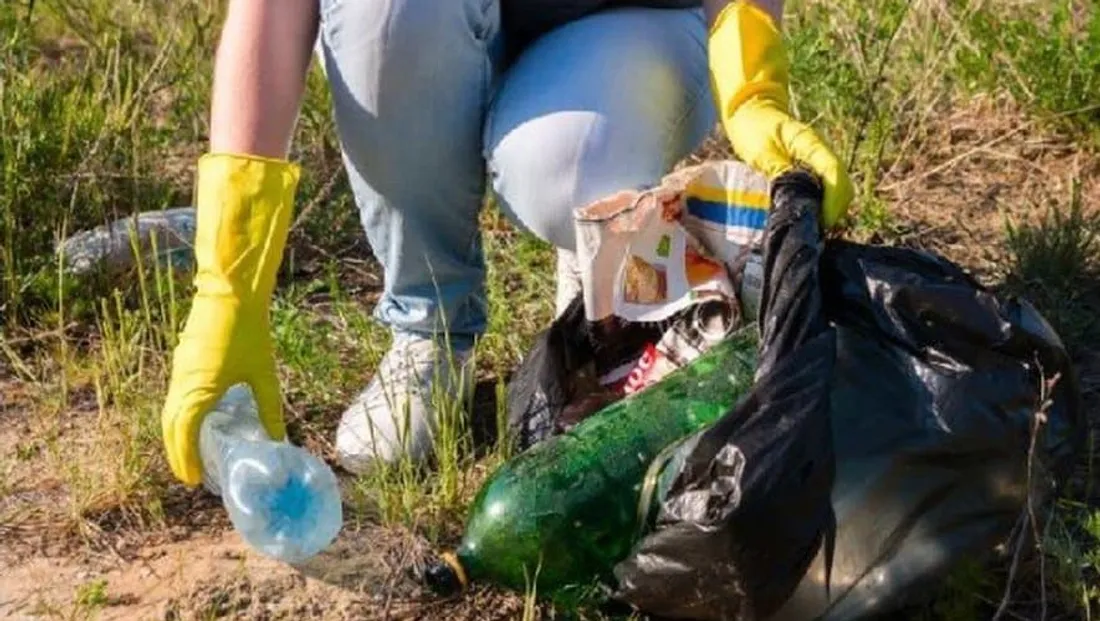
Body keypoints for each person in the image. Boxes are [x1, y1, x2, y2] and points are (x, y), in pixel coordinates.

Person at [160, 0, 854, 486]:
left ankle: (590, 268)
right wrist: (227, 288)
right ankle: (429, 330)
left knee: (572, 171)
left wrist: (753, 86)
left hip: (626, 19)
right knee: (386, 19)